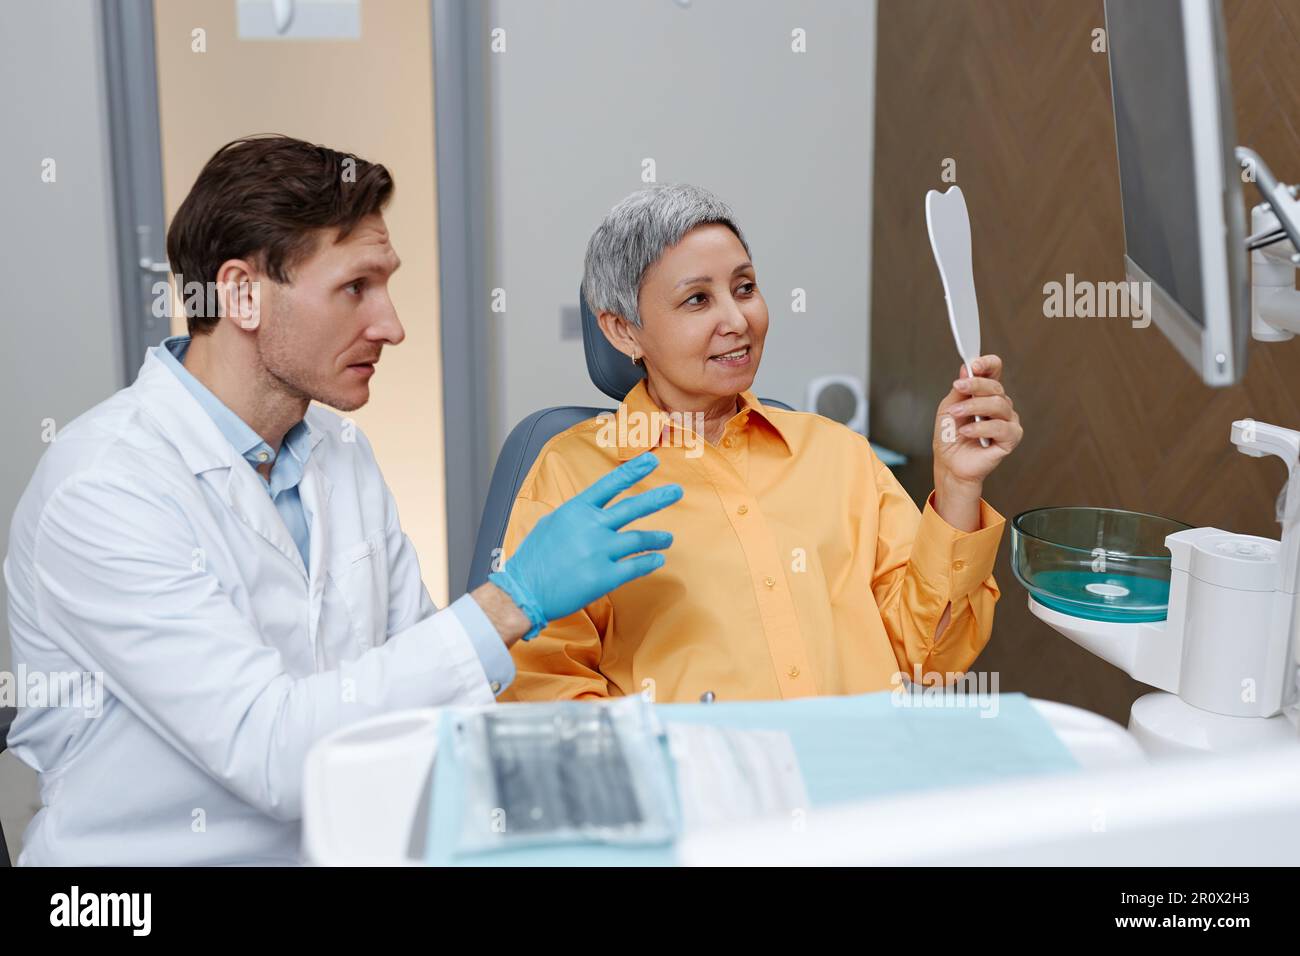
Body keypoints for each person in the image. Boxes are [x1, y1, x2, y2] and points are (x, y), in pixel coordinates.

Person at [3, 136, 681, 865]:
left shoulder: (338, 449)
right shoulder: (104, 488)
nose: (392, 326)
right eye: (355, 287)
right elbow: (272, 753)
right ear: (240, 294)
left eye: (385, 284)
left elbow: (424, 694)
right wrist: (509, 601)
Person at [495, 184, 1022, 703]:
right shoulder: (574, 475)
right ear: (623, 332)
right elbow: (545, 689)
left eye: (744, 288)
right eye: (697, 299)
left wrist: (958, 486)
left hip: (856, 776)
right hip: (688, 786)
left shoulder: (839, 456)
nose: (737, 320)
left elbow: (932, 659)